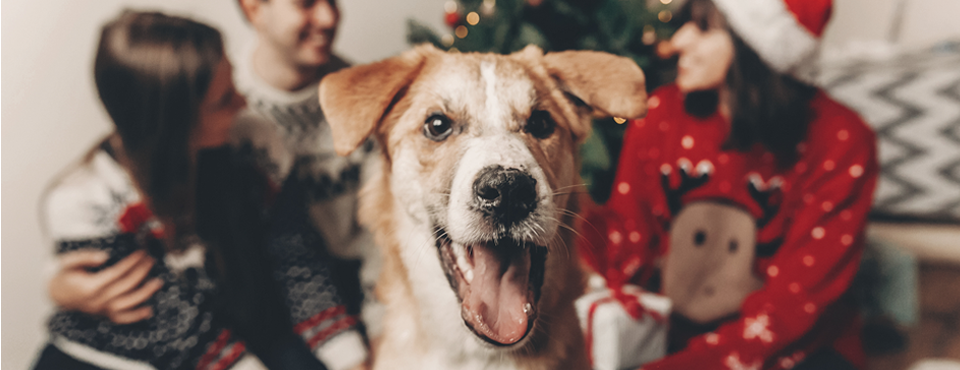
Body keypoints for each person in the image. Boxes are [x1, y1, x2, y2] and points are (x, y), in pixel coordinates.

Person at [36, 10, 364, 370]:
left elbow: (298, 262)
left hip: (242, 333)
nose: (242, 102)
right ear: (171, 126)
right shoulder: (84, 202)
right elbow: (176, 330)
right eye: (224, 100)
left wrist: (350, 358)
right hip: (117, 358)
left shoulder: (254, 145)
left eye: (234, 83)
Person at [579, 0, 879, 369]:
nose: (679, 40)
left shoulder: (842, 140)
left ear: (756, 43)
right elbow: (626, 251)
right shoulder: (660, 114)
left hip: (793, 352)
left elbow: (791, 307)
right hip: (671, 340)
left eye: (704, 27)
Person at [233, 0, 381, 345]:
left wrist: (380, 329)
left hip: (368, 287)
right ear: (254, 8)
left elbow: (383, 233)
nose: (329, 18)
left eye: (332, 1)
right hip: (277, 307)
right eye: (306, 3)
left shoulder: (363, 97)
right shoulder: (225, 111)